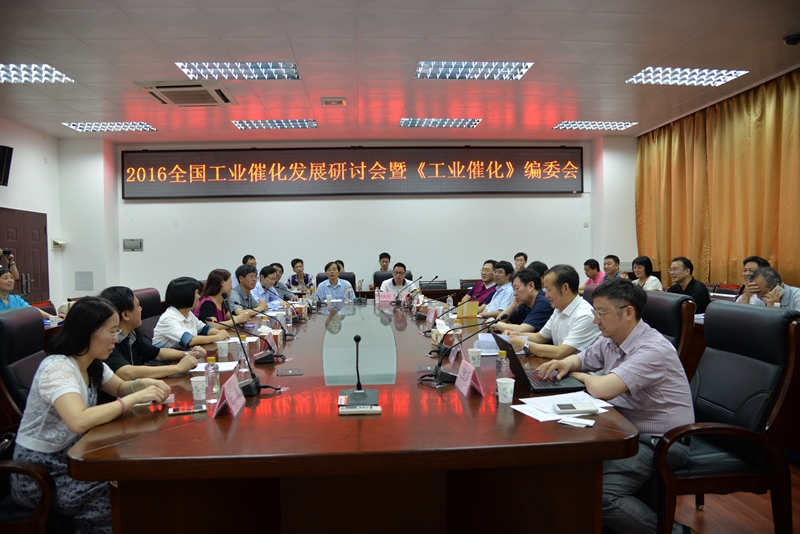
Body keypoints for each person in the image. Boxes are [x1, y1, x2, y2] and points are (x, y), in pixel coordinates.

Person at [537, 279, 694, 534]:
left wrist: (581, 376)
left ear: (628, 312)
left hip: (661, 441)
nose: (595, 320)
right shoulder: (612, 339)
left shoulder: (652, 349)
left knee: (601, 496)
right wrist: (566, 364)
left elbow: (602, 389)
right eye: (594, 312)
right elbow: (583, 358)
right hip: (624, 429)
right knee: (571, 468)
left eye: (601, 313)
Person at [11, 297, 171, 534]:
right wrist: (135, 398)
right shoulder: (58, 367)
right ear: (88, 331)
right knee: (122, 495)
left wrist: (141, 384)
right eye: (112, 331)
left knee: (134, 482)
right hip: (42, 474)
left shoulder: (93, 362)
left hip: (76, 458)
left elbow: (119, 387)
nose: (116, 339)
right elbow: (79, 420)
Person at [98, 286, 202, 403]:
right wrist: (178, 368)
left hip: (130, 399)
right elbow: (127, 373)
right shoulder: (107, 344)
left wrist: (188, 354)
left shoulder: (132, 335)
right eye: (138, 305)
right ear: (126, 315)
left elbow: (158, 353)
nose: (141, 309)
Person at [508, 264, 600, 359]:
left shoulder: (585, 315)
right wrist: (515, 334)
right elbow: (540, 337)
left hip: (580, 368)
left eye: (549, 290)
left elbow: (560, 352)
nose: (546, 295)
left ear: (565, 288)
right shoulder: (559, 309)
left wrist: (526, 345)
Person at [153, 277, 230, 349]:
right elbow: (189, 340)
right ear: (186, 295)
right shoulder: (168, 318)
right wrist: (217, 337)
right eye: (197, 293)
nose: (199, 296)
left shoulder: (188, 313)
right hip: (168, 359)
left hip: (186, 354)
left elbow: (204, 329)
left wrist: (219, 332)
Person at [491, 268, 553, 334]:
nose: (514, 293)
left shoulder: (543, 303)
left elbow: (522, 329)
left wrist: (495, 324)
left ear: (531, 286)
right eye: (514, 289)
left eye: (517, 288)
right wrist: (514, 304)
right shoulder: (525, 303)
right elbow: (501, 322)